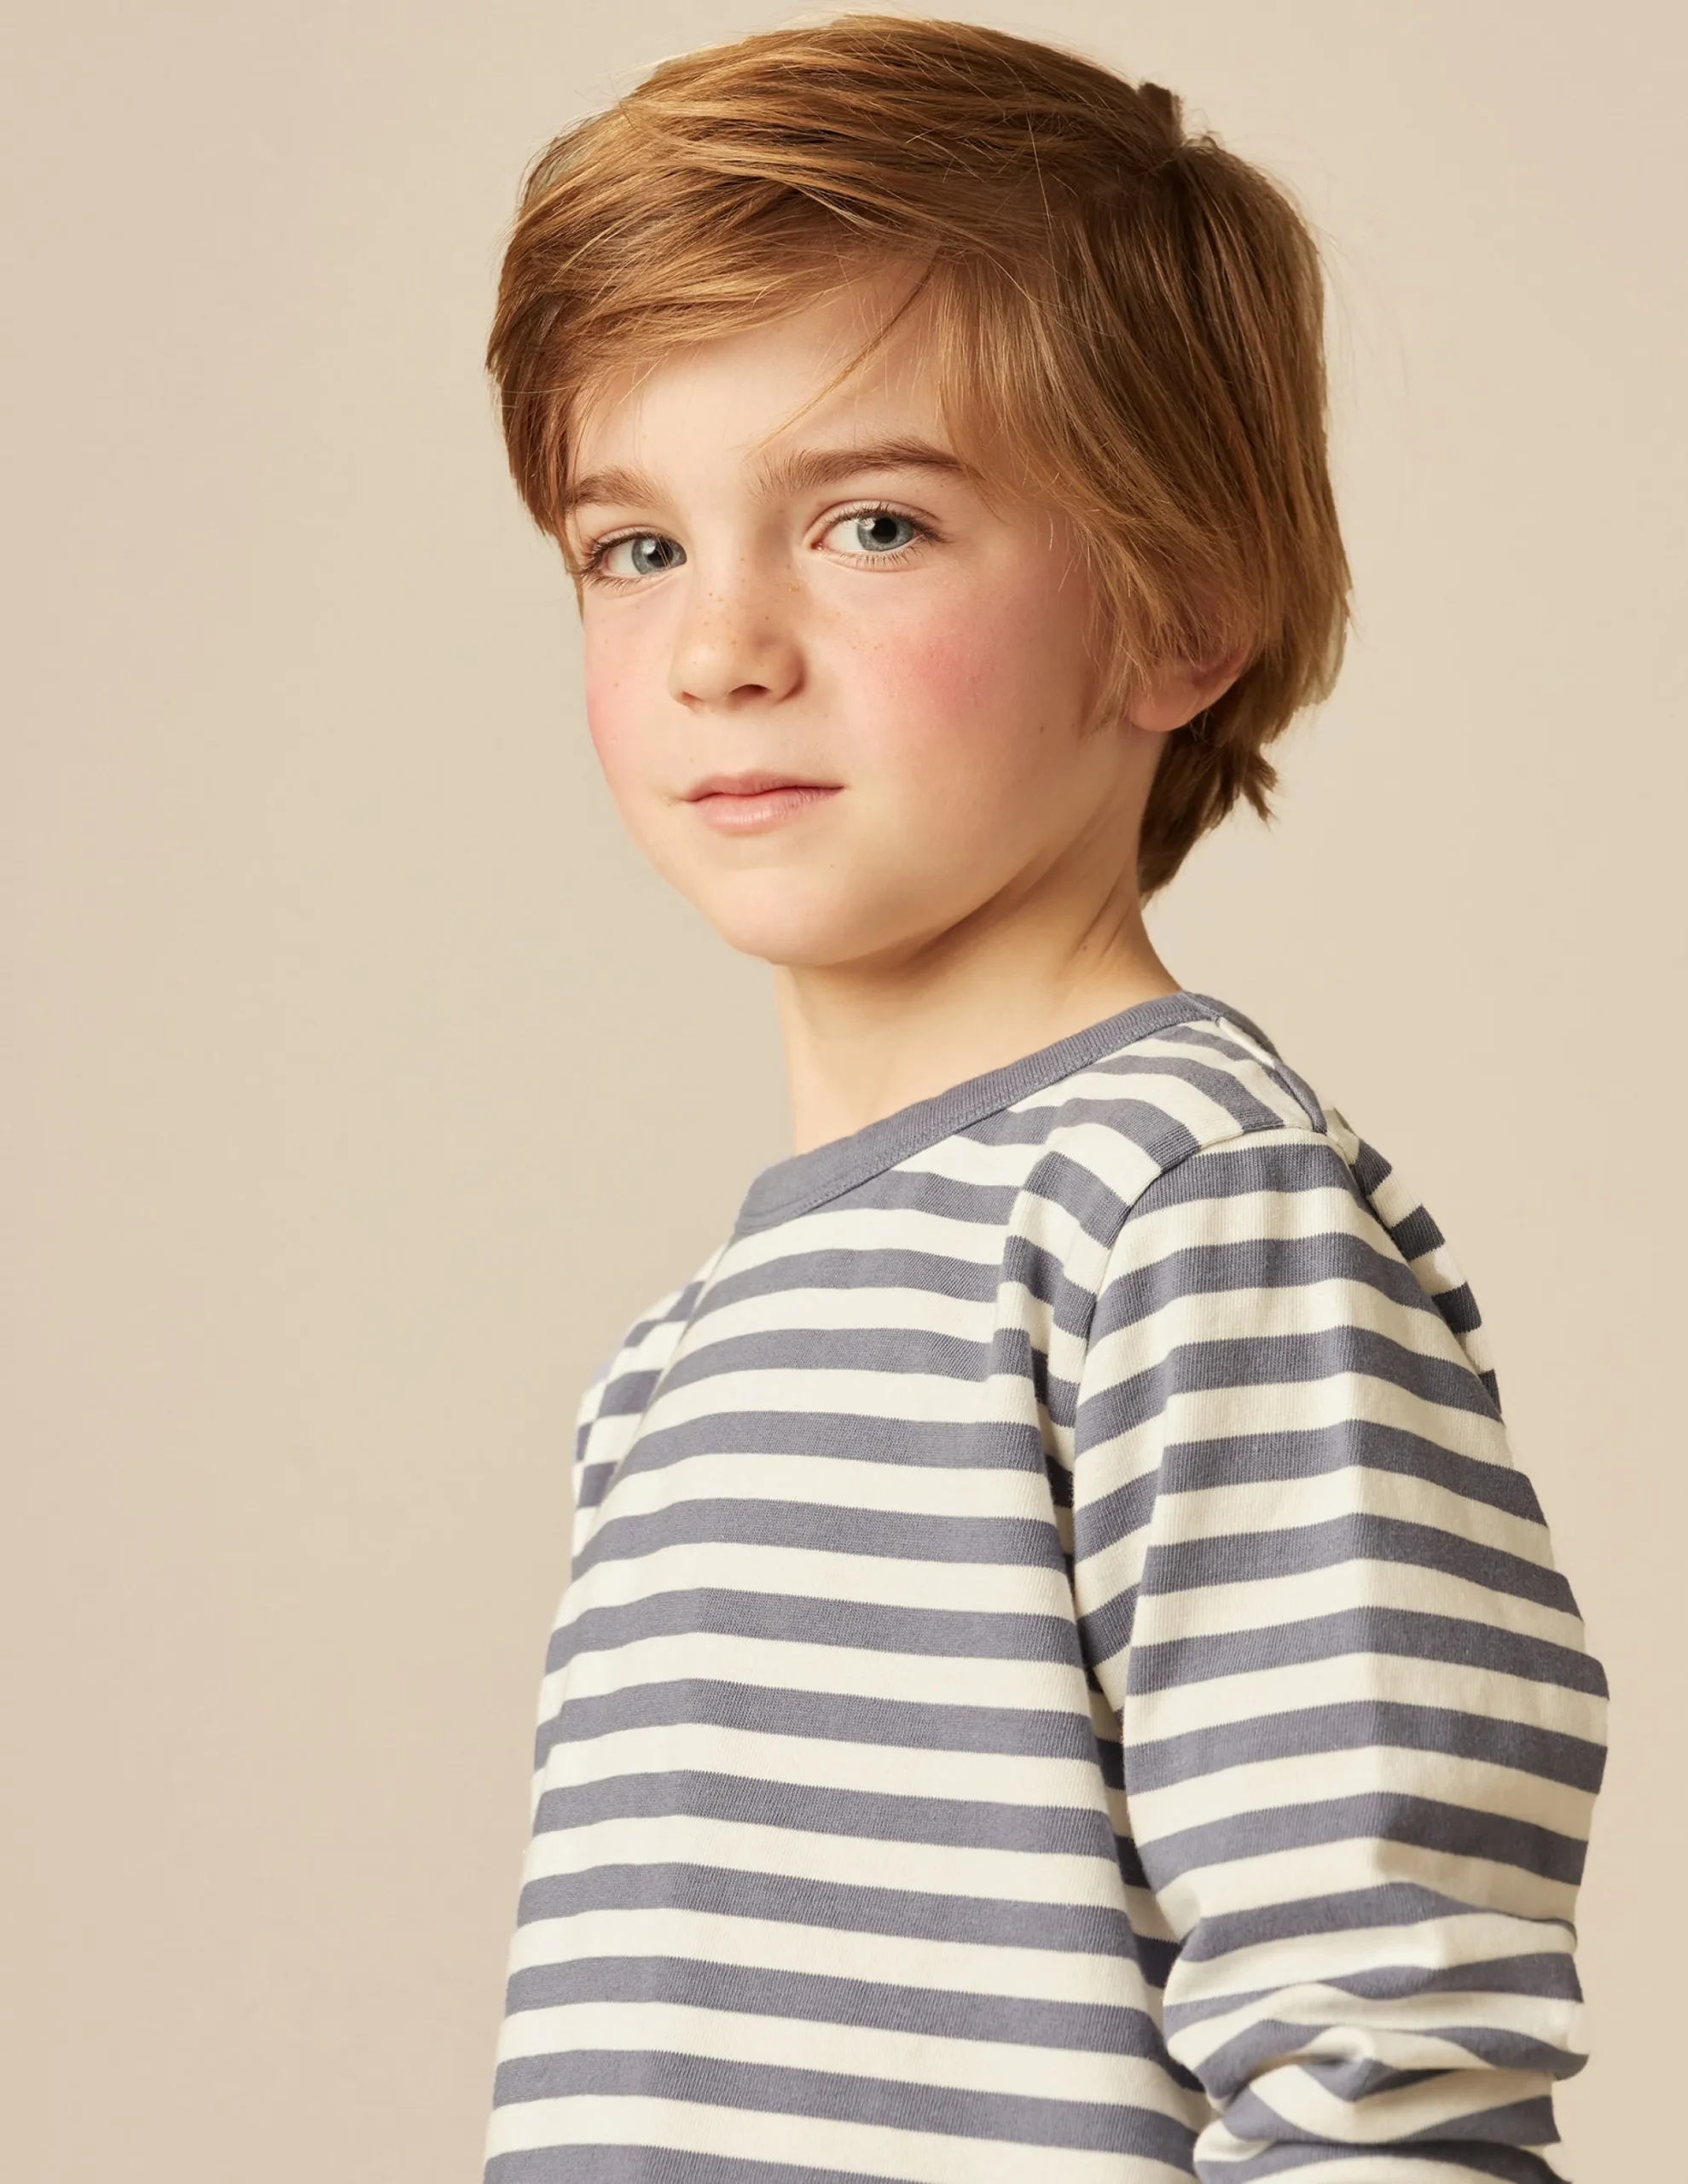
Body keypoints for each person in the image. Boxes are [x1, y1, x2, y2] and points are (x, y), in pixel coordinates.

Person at [479, 16, 1606, 2181]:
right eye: (634, 548)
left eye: (870, 522)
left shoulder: (1183, 1212)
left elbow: (1387, 2061)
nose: (720, 647)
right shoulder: (678, 1356)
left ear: (1174, 610)